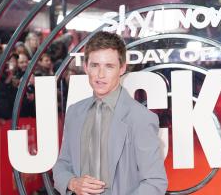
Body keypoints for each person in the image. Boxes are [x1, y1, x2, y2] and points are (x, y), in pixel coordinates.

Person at [53, 31, 167, 195]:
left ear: (122, 68)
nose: (100, 75)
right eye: (95, 65)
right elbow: (62, 164)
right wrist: (72, 182)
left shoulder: (141, 118)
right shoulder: (74, 112)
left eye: (109, 66)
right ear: (86, 67)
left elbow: (155, 182)